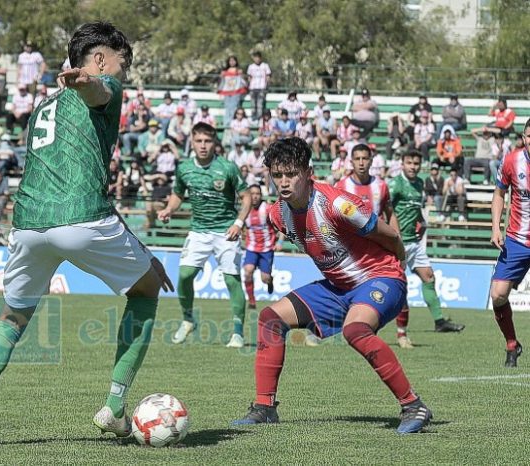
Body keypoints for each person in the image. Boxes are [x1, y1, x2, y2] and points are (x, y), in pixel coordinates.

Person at [0, 21, 173, 446]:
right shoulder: (105, 83)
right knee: (145, 291)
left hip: (29, 225)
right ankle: (115, 406)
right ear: (102, 58)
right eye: (121, 63)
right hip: (82, 219)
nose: (122, 73)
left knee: (12, 319)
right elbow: (98, 91)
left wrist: (80, 81)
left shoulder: (42, 108)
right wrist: (88, 80)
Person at [231, 137, 432, 434]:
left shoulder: (339, 205)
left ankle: (414, 405)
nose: (284, 182)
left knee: (355, 330)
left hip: (380, 277)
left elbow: (389, 236)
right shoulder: (278, 214)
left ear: (308, 171)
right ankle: (264, 408)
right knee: (270, 319)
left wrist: (398, 267)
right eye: (277, 175)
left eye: (291, 174)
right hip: (339, 288)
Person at [157, 122, 251, 348]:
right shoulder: (184, 168)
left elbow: (246, 197)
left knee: (231, 279)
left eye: (207, 141)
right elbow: (178, 194)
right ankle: (188, 320)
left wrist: (238, 223)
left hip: (225, 231)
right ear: (192, 140)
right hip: (198, 231)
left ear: (214, 143)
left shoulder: (227, 168)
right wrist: (169, 209)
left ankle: (238, 333)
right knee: (185, 276)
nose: (203, 146)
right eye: (198, 141)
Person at [388, 149, 465, 348]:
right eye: (409, 163)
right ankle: (395, 329)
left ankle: (440, 322)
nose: (413, 166)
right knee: (398, 286)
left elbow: (415, 209)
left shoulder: (420, 183)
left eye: (416, 163)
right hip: (398, 243)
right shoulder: (395, 184)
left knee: (429, 277)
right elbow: (385, 210)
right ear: (402, 163)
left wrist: (422, 221)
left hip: (414, 241)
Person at [489, 118, 530, 368]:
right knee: (498, 295)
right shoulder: (511, 160)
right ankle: (512, 344)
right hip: (517, 240)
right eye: (529, 136)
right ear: (524, 137)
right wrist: (496, 227)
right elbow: (499, 193)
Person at [243, 184, 276, 310]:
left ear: (261, 195)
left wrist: (279, 242)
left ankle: (270, 280)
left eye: (257, 194)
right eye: (252, 193)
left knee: (264, 279)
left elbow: (280, 223)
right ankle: (252, 302)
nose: (255, 196)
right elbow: (241, 225)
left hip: (266, 249)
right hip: (252, 248)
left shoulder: (267, 208)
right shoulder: (245, 210)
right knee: (248, 271)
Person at [336, 144, 391, 218]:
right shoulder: (340, 187)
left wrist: (395, 230)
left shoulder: (381, 185)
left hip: (377, 229)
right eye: (357, 159)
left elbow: (391, 215)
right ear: (351, 162)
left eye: (364, 158)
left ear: (371, 161)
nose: (361, 163)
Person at [217, 55, 247, 128]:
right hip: (227, 93)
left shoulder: (238, 70)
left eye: (233, 60)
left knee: (234, 108)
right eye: (230, 61)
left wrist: (241, 74)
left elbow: (244, 81)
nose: (232, 62)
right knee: (227, 108)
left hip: (236, 92)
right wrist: (221, 76)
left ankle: (233, 123)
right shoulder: (225, 71)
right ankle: (226, 123)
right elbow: (220, 82)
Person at [247, 51, 271, 121]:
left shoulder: (265, 66)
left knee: (260, 105)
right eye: (255, 58)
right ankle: (253, 119)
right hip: (253, 88)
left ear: (260, 58)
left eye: (258, 57)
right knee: (253, 105)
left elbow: (268, 76)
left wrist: (267, 85)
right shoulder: (251, 66)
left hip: (261, 88)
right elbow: (249, 77)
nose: (257, 59)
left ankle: (259, 119)